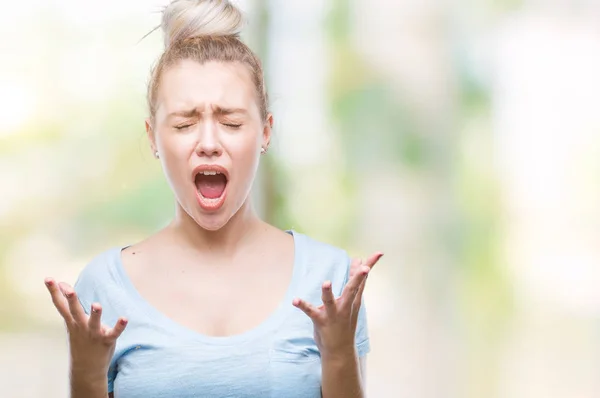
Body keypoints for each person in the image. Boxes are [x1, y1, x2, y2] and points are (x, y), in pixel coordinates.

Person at [43, 1, 382, 397]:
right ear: (153, 136)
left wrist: (338, 354)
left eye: (231, 122)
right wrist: (86, 373)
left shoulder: (329, 281)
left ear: (266, 132)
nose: (208, 143)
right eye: (185, 123)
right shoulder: (104, 289)